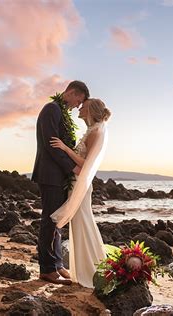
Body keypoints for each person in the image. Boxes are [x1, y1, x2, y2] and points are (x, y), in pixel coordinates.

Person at [31, 80, 89, 285]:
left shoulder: (60, 111)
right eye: (78, 101)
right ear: (72, 92)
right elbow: (51, 145)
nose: (77, 106)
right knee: (50, 220)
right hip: (50, 175)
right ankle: (47, 269)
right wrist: (73, 168)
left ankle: (56, 264)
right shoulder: (51, 109)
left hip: (59, 177)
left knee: (59, 219)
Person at [50, 98, 111, 288]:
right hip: (77, 181)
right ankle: (87, 270)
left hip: (79, 182)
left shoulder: (95, 132)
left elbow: (86, 164)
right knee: (81, 223)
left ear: (90, 110)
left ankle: (91, 271)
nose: (80, 107)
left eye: (83, 106)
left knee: (83, 222)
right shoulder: (93, 130)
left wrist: (65, 148)